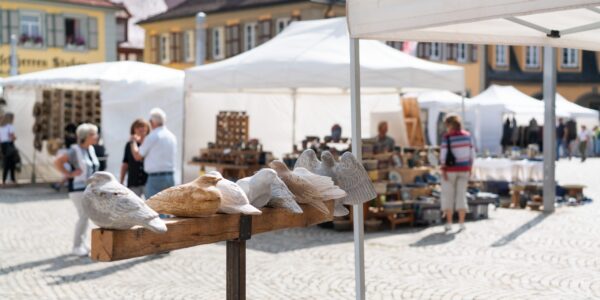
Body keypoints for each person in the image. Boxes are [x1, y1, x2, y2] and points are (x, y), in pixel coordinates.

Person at [54, 123, 100, 256]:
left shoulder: (90, 149)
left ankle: (82, 244)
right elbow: (57, 162)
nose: (96, 136)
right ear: (85, 136)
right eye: (93, 134)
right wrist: (69, 174)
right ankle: (76, 246)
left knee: (85, 216)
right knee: (84, 215)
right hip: (77, 189)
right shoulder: (74, 150)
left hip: (89, 189)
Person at [130, 108, 177, 199]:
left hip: (156, 178)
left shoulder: (152, 136)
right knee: (167, 207)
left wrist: (133, 142)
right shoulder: (171, 136)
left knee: (154, 208)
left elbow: (137, 156)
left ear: (153, 122)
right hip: (170, 176)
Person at [439, 114, 475, 232]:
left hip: (449, 171)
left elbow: (443, 155)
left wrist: (443, 169)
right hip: (464, 169)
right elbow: (472, 154)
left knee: (448, 195)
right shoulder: (467, 136)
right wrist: (470, 168)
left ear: (449, 125)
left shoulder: (447, 137)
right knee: (461, 195)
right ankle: (461, 223)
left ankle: (449, 223)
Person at [120, 119, 151, 197]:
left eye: (143, 126)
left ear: (147, 128)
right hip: (133, 181)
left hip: (148, 181)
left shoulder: (151, 143)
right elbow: (125, 163)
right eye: (137, 127)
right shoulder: (129, 145)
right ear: (133, 130)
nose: (141, 129)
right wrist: (121, 181)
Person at [0, 112, 18, 187]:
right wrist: (14, 138)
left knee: (6, 163)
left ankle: (3, 180)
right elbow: (12, 137)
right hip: (9, 145)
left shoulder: (1, 127)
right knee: (12, 164)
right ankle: (13, 180)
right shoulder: (10, 126)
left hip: (3, 146)